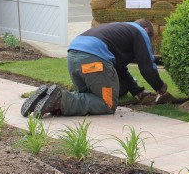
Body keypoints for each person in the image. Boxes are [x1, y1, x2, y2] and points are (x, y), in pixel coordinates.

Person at [21, 19, 176, 118]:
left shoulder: (118, 29)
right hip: (93, 62)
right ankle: (59, 100)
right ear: (147, 31)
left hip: (73, 58)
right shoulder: (139, 32)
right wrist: (160, 88)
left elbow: (120, 69)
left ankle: (45, 98)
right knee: (106, 104)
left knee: (89, 97)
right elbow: (147, 66)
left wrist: (138, 92)